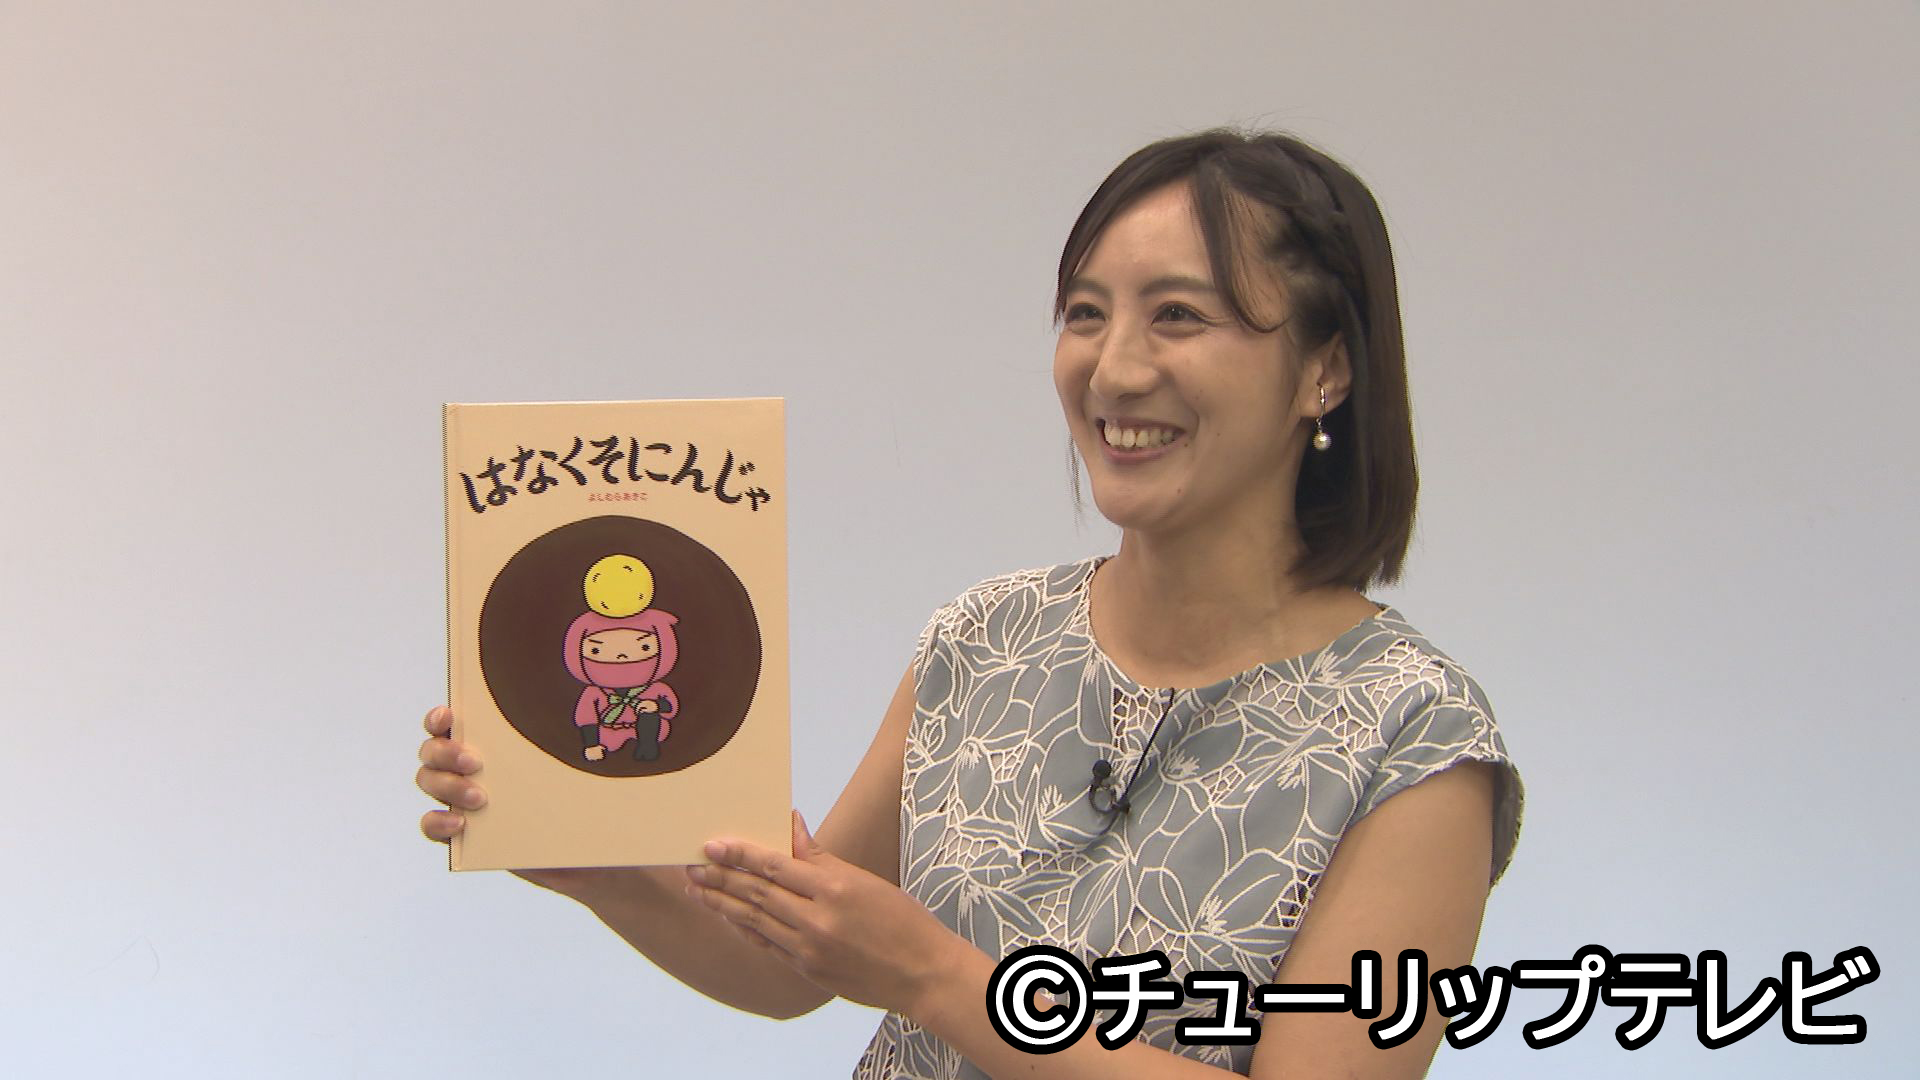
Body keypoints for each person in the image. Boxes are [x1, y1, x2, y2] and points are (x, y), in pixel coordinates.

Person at [417, 128, 1522, 1079]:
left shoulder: (1414, 736)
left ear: (1327, 370)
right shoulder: (986, 638)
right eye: (1084, 313)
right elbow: (787, 963)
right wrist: (595, 858)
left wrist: (936, 977)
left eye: (1179, 315)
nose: (1113, 369)